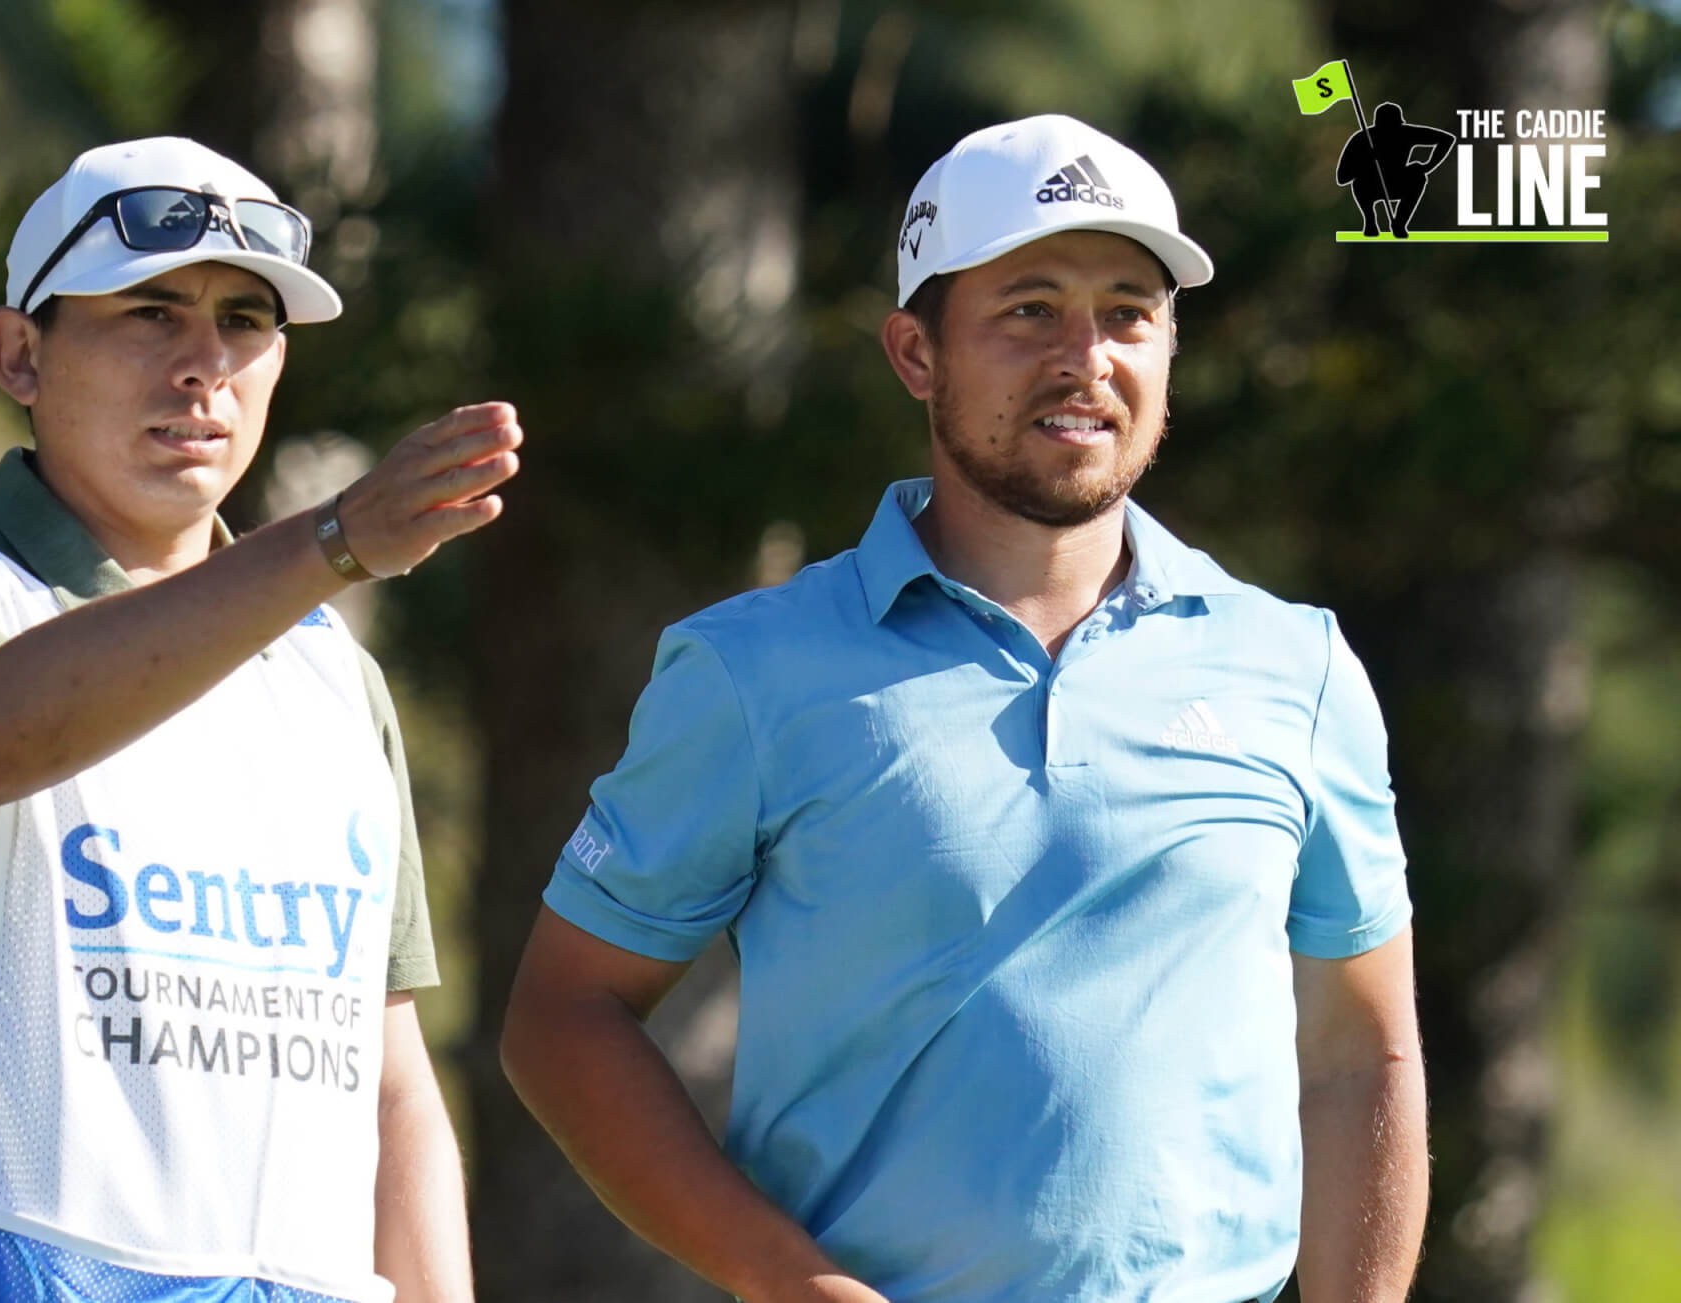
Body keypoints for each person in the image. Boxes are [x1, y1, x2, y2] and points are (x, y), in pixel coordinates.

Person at [500, 114, 1427, 1303]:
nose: (1086, 355)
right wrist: (786, 1281)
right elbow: (564, 1014)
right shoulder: (751, 669)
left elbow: (1362, 1052)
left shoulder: (1291, 665)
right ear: (914, 353)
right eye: (1028, 307)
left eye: (1128, 311)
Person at [0, 137, 518, 1303]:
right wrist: (331, 543)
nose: (204, 366)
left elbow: (388, 1077)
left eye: (245, 323)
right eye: (150, 314)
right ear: (19, 354)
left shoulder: (327, 668)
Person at [1336, 102, 1456, 238]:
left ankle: (1399, 222)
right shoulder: (1362, 138)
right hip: (1371, 186)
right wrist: (1367, 161)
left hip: (1398, 183)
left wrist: (1427, 166)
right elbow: (1342, 178)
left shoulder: (1406, 133)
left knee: (1418, 176)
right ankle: (1370, 220)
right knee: (1359, 183)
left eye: (1393, 128)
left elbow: (1446, 139)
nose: (1391, 132)